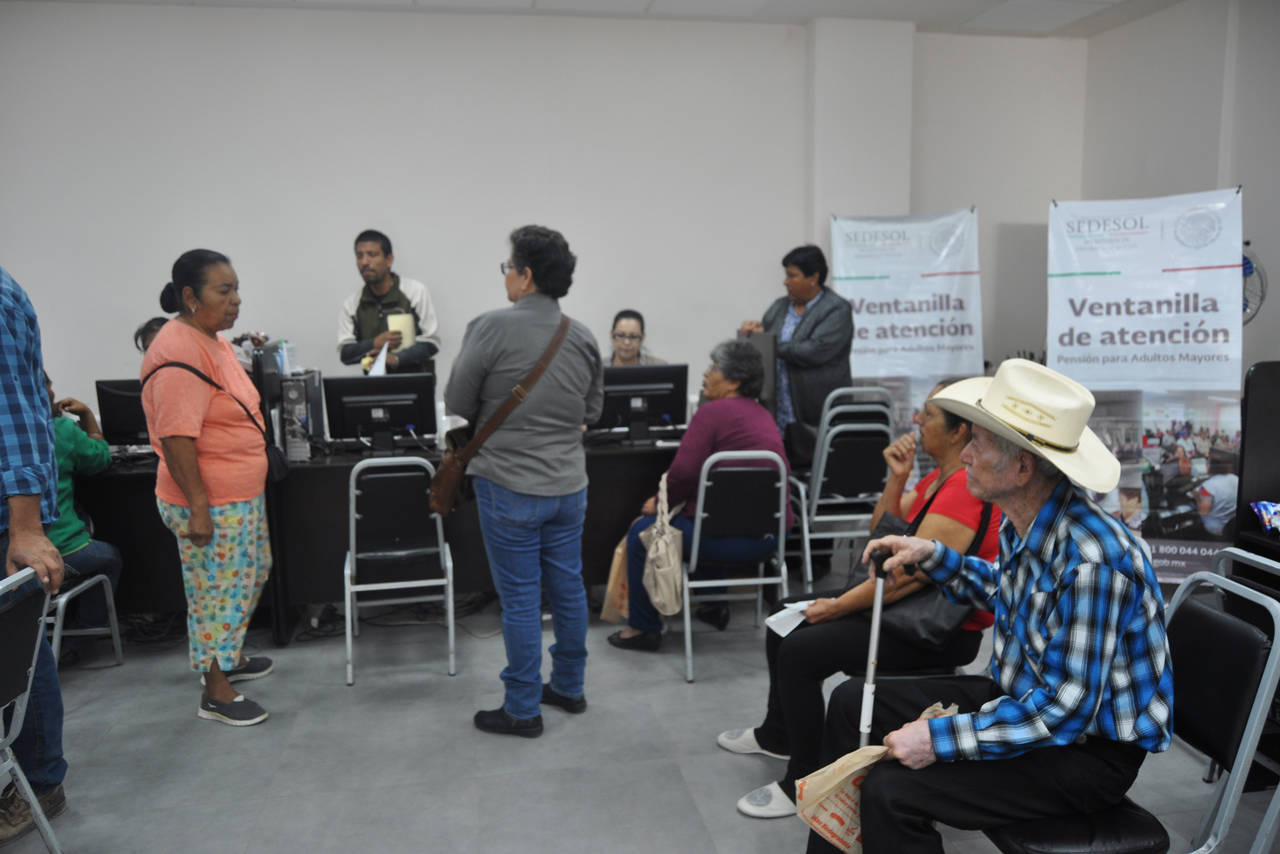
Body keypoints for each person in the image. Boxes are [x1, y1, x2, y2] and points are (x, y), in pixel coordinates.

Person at [805, 359, 1174, 854]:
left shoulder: (1095, 562)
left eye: (978, 443)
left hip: (1088, 754)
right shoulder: (1025, 516)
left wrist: (938, 739)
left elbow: (1063, 712)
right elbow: (1008, 590)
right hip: (1022, 699)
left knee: (893, 792)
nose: (967, 454)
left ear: (1022, 467)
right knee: (851, 701)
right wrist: (932, 555)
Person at [719, 382, 1001, 819]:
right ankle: (778, 735)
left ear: (960, 431)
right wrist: (898, 476)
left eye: (928, 415)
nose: (917, 422)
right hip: (902, 607)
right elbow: (882, 533)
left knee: (798, 649)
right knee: (784, 618)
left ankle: (803, 781)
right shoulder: (937, 477)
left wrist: (837, 607)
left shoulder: (963, 488)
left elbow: (908, 578)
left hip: (938, 630)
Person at [444, 225, 603, 738]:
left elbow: (458, 404)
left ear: (525, 274)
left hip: (509, 485)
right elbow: (594, 410)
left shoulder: (489, 327)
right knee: (569, 589)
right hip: (568, 488)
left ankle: (521, 707)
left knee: (519, 599)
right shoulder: (582, 337)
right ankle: (570, 687)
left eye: (507, 267)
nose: (506, 276)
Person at [140, 249, 274, 727]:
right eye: (225, 291)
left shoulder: (209, 338)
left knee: (249, 575)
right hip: (210, 501)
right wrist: (198, 505)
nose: (237, 300)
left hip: (236, 493)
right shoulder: (177, 352)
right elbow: (176, 437)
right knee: (215, 594)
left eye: (237, 288)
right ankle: (215, 691)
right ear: (191, 297)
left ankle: (228, 655)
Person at [608, 340, 793, 651]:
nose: (706, 375)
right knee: (713, 510)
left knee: (643, 532)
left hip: (714, 539)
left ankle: (643, 629)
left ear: (733, 381)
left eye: (713, 369)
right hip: (767, 538)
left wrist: (656, 503)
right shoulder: (764, 415)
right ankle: (713, 604)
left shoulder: (711, 413)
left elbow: (683, 473)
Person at [0, 267, 69, 845]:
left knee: (16, 652)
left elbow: (15, 408)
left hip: (7, 520)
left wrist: (24, 525)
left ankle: (38, 781)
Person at [739, 244, 853, 467]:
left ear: (814, 277)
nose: (786, 281)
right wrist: (753, 332)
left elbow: (815, 352)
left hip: (813, 413)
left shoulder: (836, 309)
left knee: (813, 473)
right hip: (777, 408)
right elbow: (765, 345)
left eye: (793, 276)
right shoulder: (779, 307)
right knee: (779, 469)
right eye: (786, 275)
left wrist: (769, 342)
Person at [44, 372, 123, 656]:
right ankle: (82, 641)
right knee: (108, 559)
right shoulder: (60, 431)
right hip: (63, 555)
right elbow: (100, 459)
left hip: (11, 564)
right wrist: (88, 416)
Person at [336, 229, 440, 373]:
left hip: (415, 384)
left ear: (389, 259)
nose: (364, 262)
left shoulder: (415, 292)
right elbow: (345, 354)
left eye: (372, 255)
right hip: (374, 388)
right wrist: (374, 343)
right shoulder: (352, 304)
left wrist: (396, 358)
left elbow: (431, 343)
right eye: (359, 256)